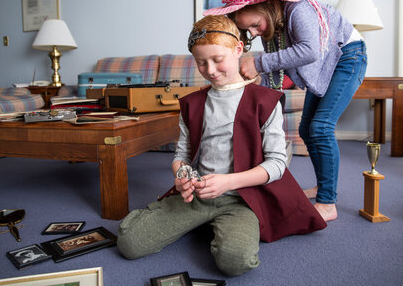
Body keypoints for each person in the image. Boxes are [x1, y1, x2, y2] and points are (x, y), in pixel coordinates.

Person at [117, 15, 326, 276]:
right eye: (201, 63)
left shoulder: (266, 101)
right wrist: (182, 175)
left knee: (235, 262)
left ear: (238, 49)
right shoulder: (192, 103)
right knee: (129, 242)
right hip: (199, 195)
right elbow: (181, 155)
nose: (211, 70)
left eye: (217, 60)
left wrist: (227, 183)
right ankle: (201, 220)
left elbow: (277, 165)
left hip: (242, 200)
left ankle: (211, 225)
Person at [204, 0, 368, 222]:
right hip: (326, 64)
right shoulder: (270, 29)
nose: (254, 33)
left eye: (255, 25)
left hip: (348, 57)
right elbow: (275, 77)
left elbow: (309, 51)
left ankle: (328, 203)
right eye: (249, 31)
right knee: (306, 129)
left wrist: (257, 63)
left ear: (267, 5)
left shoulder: (298, 8)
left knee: (321, 128)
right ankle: (323, 189)